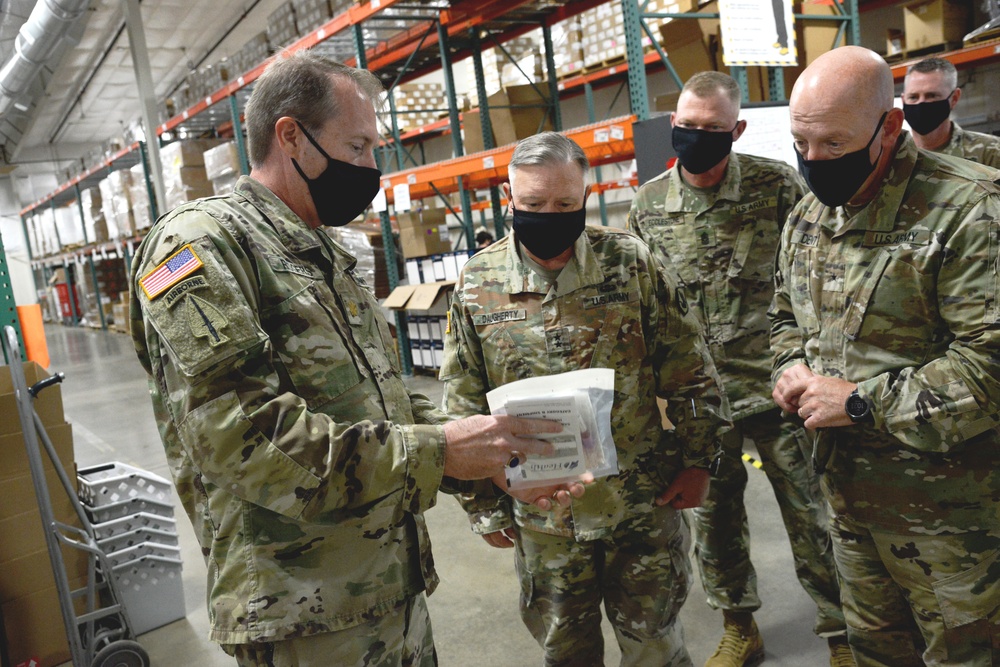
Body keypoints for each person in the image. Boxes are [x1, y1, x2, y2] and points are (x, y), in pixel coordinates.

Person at [128, 51, 579, 667]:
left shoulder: (317, 250)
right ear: (291, 136)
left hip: (385, 587)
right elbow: (247, 442)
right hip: (303, 612)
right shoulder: (199, 246)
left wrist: (486, 462)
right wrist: (440, 450)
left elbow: (381, 397)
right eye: (359, 146)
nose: (372, 166)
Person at [440, 131, 731, 666]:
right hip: (544, 517)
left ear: (585, 197)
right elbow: (461, 403)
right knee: (565, 653)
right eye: (533, 204)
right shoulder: (478, 281)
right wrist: (484, 505)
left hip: (642, 505)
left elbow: (689, 368)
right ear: (510, 199)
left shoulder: (630, 263)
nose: (549, 214)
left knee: (657, 650)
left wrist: (700, 461)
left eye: (564, 204)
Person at [771, 45, 1000, 665]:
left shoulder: (972, 210)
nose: (814, 162)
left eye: (834, 146)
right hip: (848, 501)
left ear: (889, 127)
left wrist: (859, 401)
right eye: (802, 144)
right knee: (877, 651)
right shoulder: (808, 218)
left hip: (956, 518)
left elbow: (990, 369)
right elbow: (781, 315)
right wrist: (789, 365)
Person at [628, 71, 850, 667]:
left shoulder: (776, 186)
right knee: (715, 523)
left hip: (780, 388)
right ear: (672, 126)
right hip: (701, 401)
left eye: (711, 130)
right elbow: (647, 307)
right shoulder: (648, 205)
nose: (696, 138)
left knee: (813, 515)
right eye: (687, 128)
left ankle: (841, 633)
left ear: (738, 129)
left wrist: (814, 360)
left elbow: (814, 274)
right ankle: (738, 625)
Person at [901, 57, 1000, 167]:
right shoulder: (894, 157)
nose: (921, 103)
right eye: (913, 97)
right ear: (903, 99)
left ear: (954, 98)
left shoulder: (991, 152)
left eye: (932, 96)